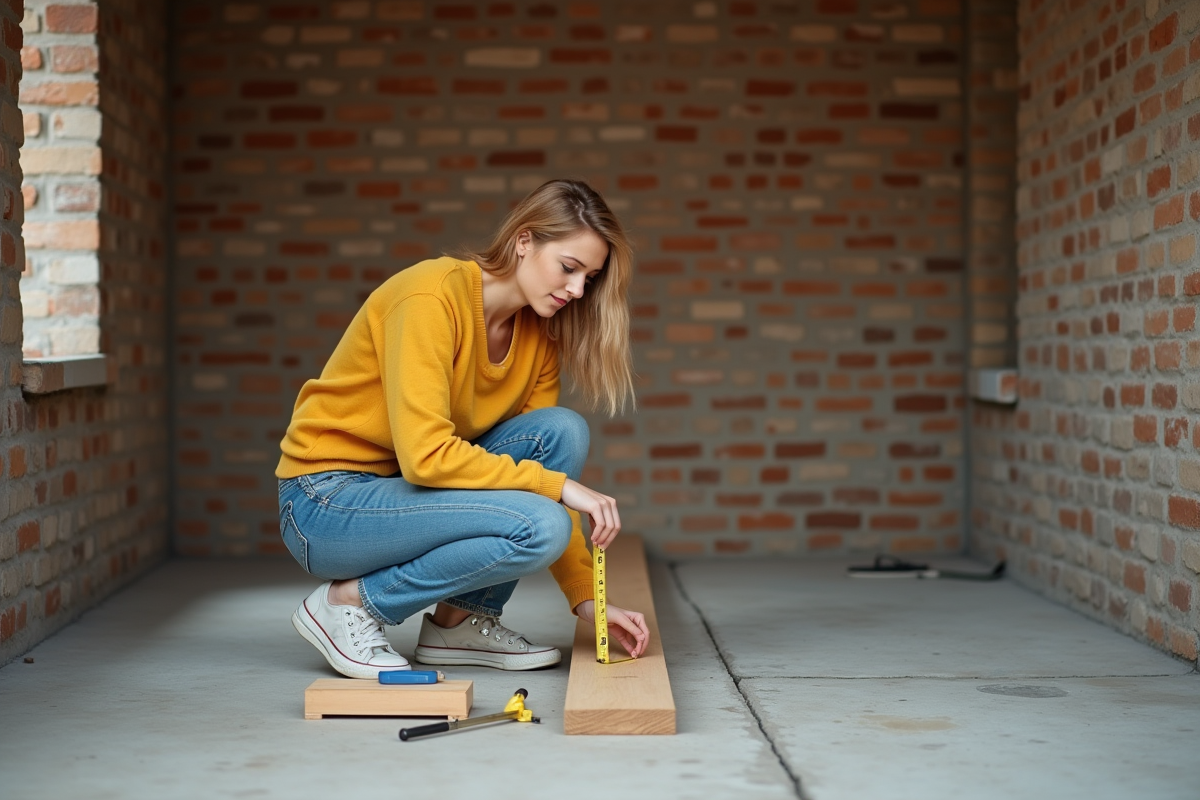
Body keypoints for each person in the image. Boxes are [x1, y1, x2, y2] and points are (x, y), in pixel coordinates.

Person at [275, 179, 650, 678]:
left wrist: (588, 602)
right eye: (569, 268)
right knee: (543, 524)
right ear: (524, 241)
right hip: (324, 502)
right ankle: (348, 604)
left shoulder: (540, 339)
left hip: (402, 493)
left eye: (590, 278)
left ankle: (460, 621)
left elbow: (531, 468)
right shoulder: (429, 298)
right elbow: (426, 457)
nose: (577, 290)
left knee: (561, 431)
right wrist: (561, 488)